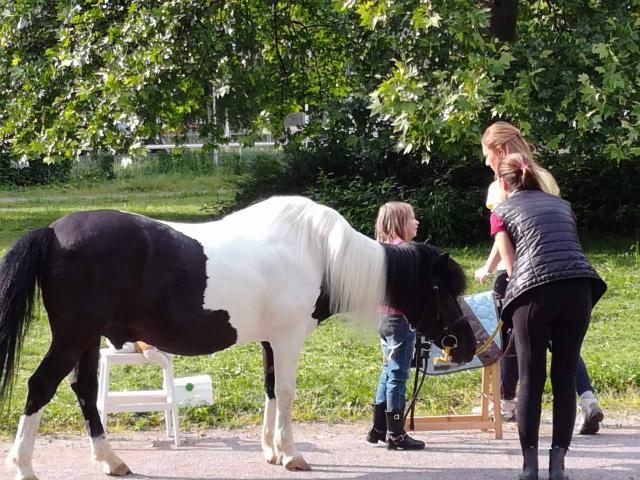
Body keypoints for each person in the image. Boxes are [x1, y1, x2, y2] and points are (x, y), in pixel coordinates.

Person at [474, 121, 604, 435]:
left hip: (522, 273)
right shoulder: (543, 176)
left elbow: (502, 233)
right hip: (561, 270)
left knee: (510, 341)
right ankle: (587, 398)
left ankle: (506, 404)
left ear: (500, 150)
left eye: (487, 154)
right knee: (562, 344)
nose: (487, 161)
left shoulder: (501, 186)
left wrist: (491, 269)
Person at [491, 152, 607, 480]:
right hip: (578, 288)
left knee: (531, 378)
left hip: (535, 291)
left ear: (503, 181)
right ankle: (558, 466)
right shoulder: (563, 206)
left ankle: (530, 468)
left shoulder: (500, 211)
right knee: (565, 376)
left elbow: (511, 265)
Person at [366, 201, 425, 450]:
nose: (417, 222)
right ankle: (396, 432)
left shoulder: (380, 250)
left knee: (388, 370)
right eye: (412, 218)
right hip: (400, 319)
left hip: (382, 318)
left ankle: (378, 427)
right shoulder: (405, 253)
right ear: (401, 223)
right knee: (398, 373)